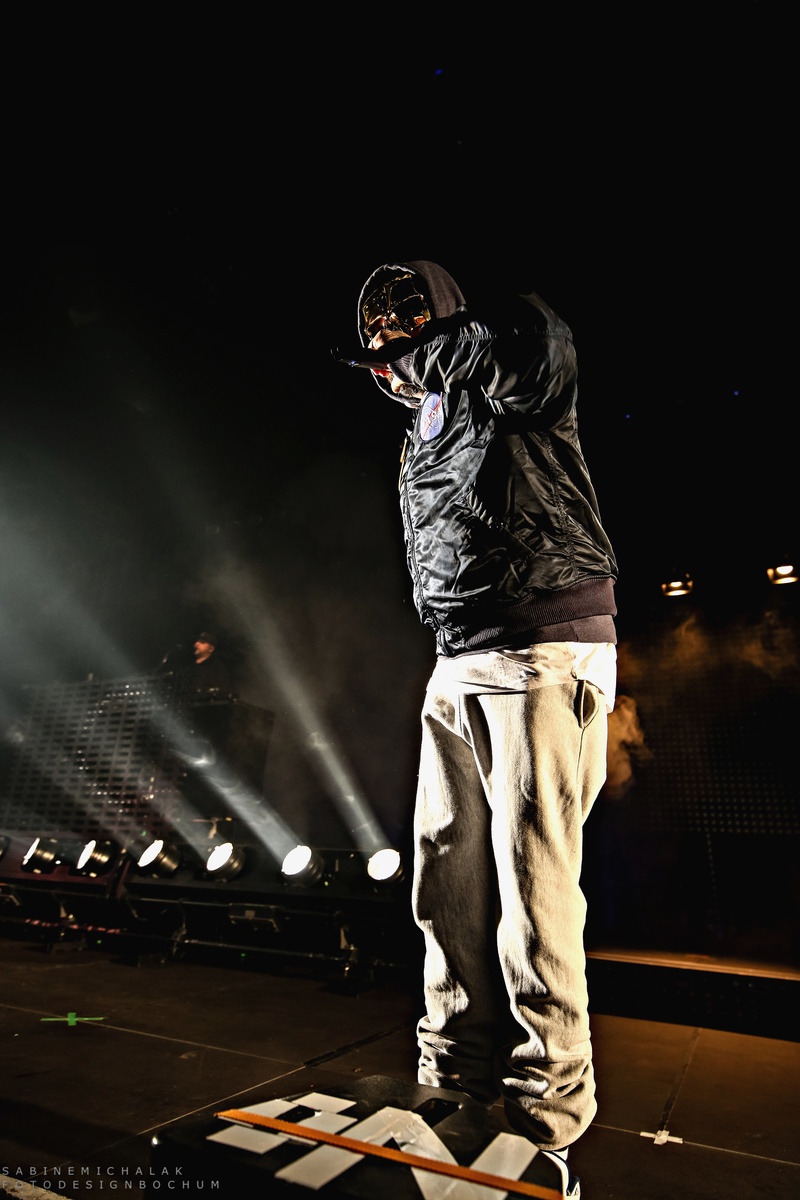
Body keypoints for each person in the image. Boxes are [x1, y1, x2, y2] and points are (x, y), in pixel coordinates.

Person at [337, 260, 618, 1196]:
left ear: (440, 320)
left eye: (403, 328)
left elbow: (541, 354)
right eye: (377, 338)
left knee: (534, 889)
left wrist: (436, 343)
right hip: (459, 655)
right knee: (443, 878)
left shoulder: (508, 363)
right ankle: (448, 1084)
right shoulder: (422, 421)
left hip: (543, 645)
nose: (389, 352)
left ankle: (547, 1121)